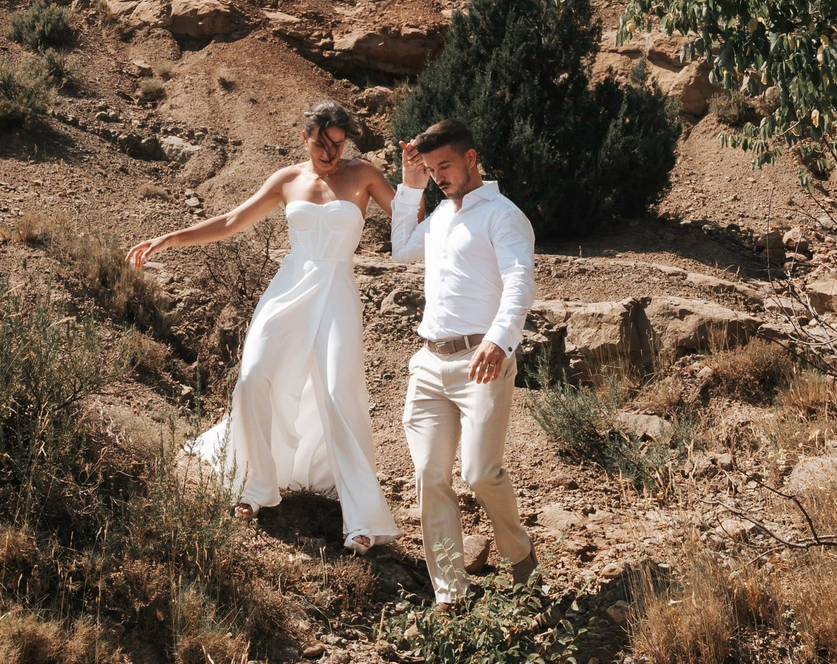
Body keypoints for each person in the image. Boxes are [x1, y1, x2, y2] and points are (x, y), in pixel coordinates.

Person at [126, 101, 401, 553]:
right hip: (288, 290)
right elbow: (233, 221)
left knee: (337, 391)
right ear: (305, 137)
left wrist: (419, 187)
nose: (329, 154)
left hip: (337, 291)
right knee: (254, 378)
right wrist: (170, 238)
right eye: (320, 144)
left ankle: (361, 518)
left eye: (337, 145)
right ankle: (255, 486)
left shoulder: (365, 175)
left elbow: (410, 222)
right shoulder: (287, 180)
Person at [390, 117, 539, 607]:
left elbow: (520, 282)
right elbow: (400, 249)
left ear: (472, 159)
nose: (438, 176)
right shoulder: (439, 217)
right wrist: (411, 188)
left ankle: (521, 559)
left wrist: (499, 341)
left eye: (444, 166)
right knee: (430, 476)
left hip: (483, 360)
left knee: (480, 473)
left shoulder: (503, 214)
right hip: (429, 363)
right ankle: (450, 594)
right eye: (431, 169)